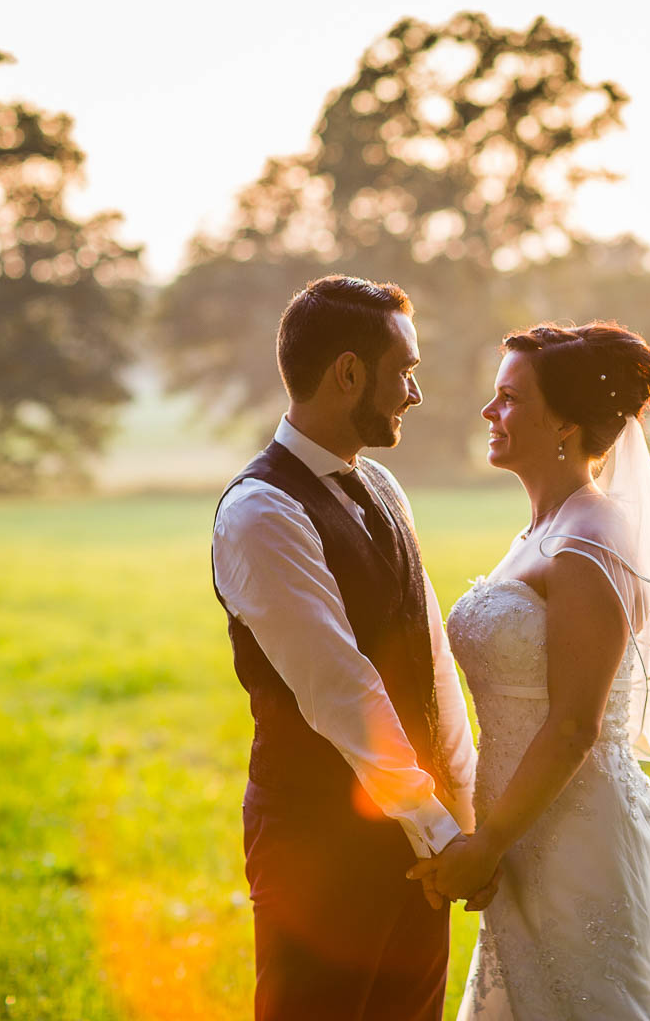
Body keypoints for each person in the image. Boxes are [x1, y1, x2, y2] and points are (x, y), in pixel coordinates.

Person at [410, 321, 650, 1020]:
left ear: (563, 420)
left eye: (509, 399)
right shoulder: (542, 529)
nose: (489, 413)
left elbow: (573, 725)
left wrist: (487, 843)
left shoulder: (589, 539)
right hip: (525, 829)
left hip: (577, 839)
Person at [211, 275, 491, 1020]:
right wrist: (438, 832)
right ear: (347, 373)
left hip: (419, 837)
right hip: (318, 852)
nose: (415, 394)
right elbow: (342, 690)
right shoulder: (261, 510)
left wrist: (461, 820)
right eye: (406, 371)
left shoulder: (386, 488)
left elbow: (431, 660)